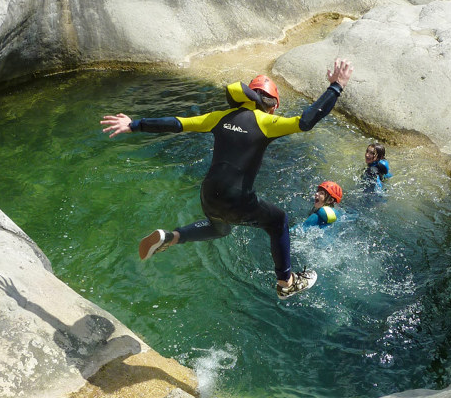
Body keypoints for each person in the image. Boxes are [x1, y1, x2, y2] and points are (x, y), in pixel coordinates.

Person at [100, 58, 353, 300]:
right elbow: (307, 121)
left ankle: (172, 237)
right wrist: (336, 86)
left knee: (220, 227)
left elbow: (176, 123)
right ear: (273, 104)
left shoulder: (219, 117)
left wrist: (135, 124)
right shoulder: (267, 122)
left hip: (209, 195)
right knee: (279, 221)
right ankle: (286, 283)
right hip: (237, 198)